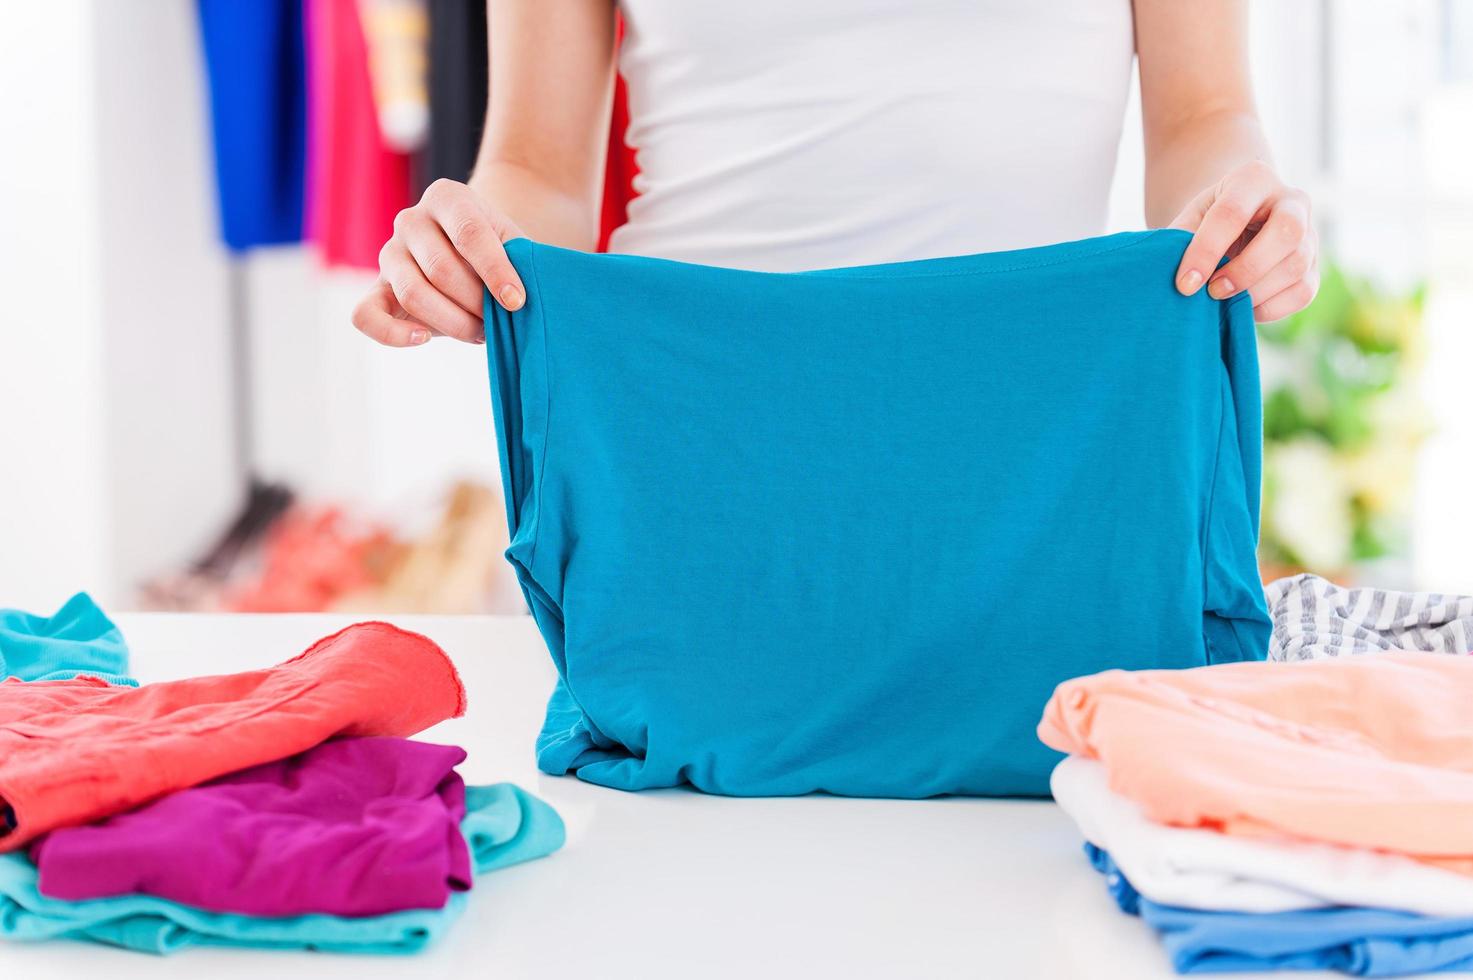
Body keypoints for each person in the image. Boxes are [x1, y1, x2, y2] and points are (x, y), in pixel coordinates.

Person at [352, 0, 1318, 348]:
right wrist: (466, 253)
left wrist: (1237, 210)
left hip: (1033, 397)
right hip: (692, 390)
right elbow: (535, 169)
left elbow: (1202, 118)